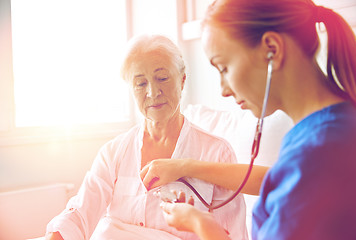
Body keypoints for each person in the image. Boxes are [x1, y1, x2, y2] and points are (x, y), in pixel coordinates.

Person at [141, 0, 356, 239]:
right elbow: (276, 178)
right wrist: (186, 168)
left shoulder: (316, 155)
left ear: (272, 49)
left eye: (223, 67)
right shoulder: (336, 129)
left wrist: (202, 225)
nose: (223, 90)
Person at [45, 34, 249, 240]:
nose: (152, 92)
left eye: (162, 78)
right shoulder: (113, 152)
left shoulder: (217, 152)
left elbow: (234, 234)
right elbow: (81, 213)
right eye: (141, 83)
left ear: (182, 80)